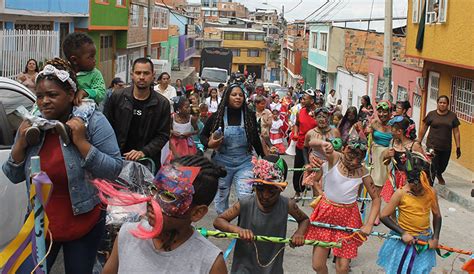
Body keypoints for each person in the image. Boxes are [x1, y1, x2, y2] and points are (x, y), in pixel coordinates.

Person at [3, 59, 123, 273]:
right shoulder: (32, 123)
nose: (44, 102)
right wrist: (20, 144)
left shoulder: (93, 121)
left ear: (70, 95)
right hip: (41, 223)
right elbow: (12, 175)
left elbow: (114, 169)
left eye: (52, 95)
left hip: (83, 221)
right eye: (40, 96)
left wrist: (82, 143)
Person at [101, 155, 228, 274]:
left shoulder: (210, 263)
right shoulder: (128, 235)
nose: (153, 201)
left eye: (167, 196)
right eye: (154, 189)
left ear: (197, 213)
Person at [214, 155, 309, 274]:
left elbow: (304, 219)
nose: (265, 196)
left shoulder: (287, 205)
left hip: (272, 268)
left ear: (281, 189)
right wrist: (237, 230)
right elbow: (219, 221)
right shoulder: (246, 203)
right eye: (260, 189)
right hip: (244, 267)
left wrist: (299, 233)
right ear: (255, 187)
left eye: (272, 191)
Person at [305, 132, 381, 274]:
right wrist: (322, 143)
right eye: (351, 156)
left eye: (359, 158)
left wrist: (369, 224)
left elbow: (376, 199)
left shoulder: (363, 172)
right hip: (325, 214)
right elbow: (310, 142)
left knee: (343, 268)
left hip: (348, 218)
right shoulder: (334, 159)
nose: (354, 162)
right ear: (344, 148)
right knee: (317, 265)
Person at [200, 84, 264, 214]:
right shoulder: (217, 116)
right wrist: (209, 143)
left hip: (245, 163)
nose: (238, 97)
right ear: (226, 97)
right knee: (221, 197)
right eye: (234, 95)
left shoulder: (249, 116)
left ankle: (243, 228)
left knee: (245, 197)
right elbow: (203, 135)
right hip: (221, 164)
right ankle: (223, 228)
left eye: (240, 95)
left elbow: (256, 140)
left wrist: (265, 158)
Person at [104, 58, 171, 168]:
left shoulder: (162, 104)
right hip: (117, 160)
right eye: (138, 73)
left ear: (153, 75)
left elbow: (163, 135)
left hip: (146, 162)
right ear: (132, 74)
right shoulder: (117, 97)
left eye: (146, 73)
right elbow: (106, 127)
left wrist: (143, 152)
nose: (142, 77)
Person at [377, 163, 441, 274]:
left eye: (421, 186)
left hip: (424, 239)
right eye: (414, 186)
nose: (418, 189)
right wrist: (403, 233)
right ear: (408, 181)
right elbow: (383, 216)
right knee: (399, 269)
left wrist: (435, 238)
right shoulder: (400, 193)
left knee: (420, 270)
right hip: (403, 240)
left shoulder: (431, 192)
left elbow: (437, 216)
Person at [381, 116, 426, 203]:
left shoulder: (414, 146)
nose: (391, 132)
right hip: (395, 178)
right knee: (392, 205)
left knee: (406, 204)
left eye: (392, 129)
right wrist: (387, 156)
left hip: (409, 180)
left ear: (399, 131)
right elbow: (385, 162)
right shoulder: (392, 142)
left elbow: (423, 166)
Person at [418, 95, 461, 185]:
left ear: (448, 104)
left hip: (446, 147)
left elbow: (456, 132)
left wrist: (458, 147)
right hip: (432, 146)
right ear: (437, 103)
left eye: (444, 103)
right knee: (432, 166)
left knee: (443, 166)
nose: (442, 104)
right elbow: (424, 128)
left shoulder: (452, 116)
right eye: (440, 102)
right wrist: (419, 141)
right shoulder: (431, 114)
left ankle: (439, 173)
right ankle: (430, 187)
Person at [304, 107, 341, 196]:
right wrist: (307, 163)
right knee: (317, 196)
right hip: (316, 166)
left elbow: (339, 149)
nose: (322, 119)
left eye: (324, 116)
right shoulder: (310, 133)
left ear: (328, 118)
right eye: (319, 117)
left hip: (331, 165)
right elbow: (305, 148)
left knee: (331, 195)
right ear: (315, 118)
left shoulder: (335, 132)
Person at [63, 32, 106, 105]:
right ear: (74, 60)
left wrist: (85, 92)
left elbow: (101, 92)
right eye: (90, 57)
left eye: (94, 56)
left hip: (89, 110)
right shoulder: (63, 73)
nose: (94, 60)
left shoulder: (95, 74)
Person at [291, 89, 318, 200]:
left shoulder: (318, 113)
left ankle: (316, 196)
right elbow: (297, 123)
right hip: (300, 145)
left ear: (312, 101)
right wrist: (296, 133)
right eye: (302, 98)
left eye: (304, 99)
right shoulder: (301, 111)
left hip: (314, 148)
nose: (302, 100)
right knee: (298, 169)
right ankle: (298, 192)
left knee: (314, 171)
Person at [367, 101, 393, 208]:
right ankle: (376, 211)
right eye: (380, 111)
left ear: (390, 112)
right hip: (375, 156)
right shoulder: (374, 123)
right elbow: (367, 137)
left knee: (386, 184)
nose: (382, 114)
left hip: (388, 156)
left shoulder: (394, 125)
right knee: (376, 184)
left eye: (385, 111)